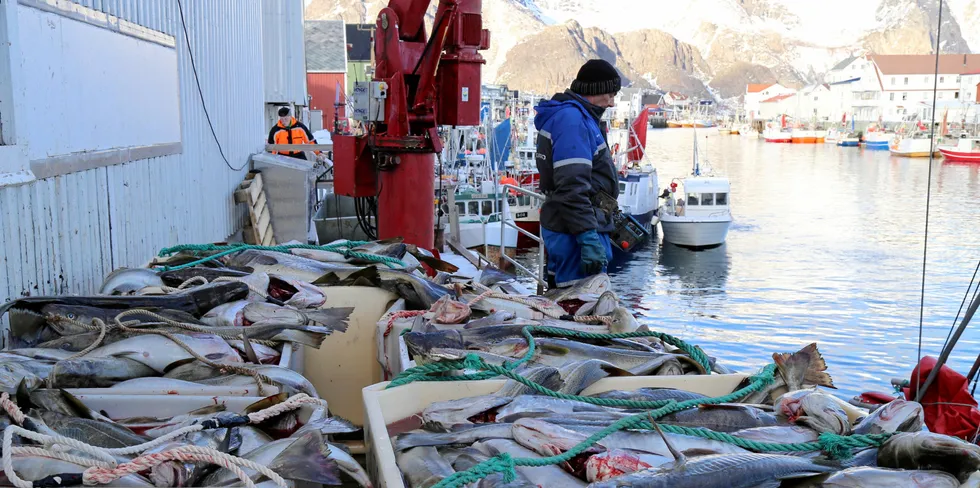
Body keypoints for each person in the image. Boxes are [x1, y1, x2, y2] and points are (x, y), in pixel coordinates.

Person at [534, 59, 621, 288]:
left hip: (572, 226)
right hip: (574, 234)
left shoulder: (576, 117)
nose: (611, 103)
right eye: (610, 95)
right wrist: (587, 237)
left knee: (564, 297)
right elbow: (572, 185)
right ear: (595, 91)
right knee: (578, 306)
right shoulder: (573, 121)